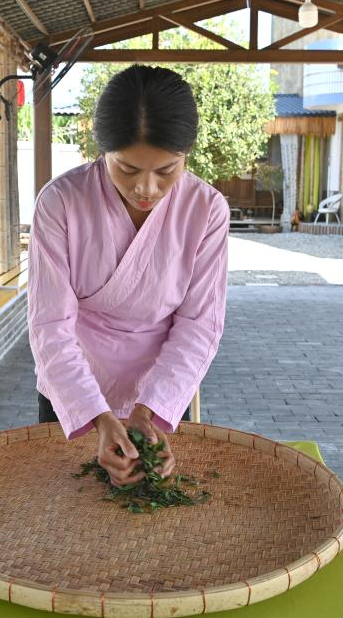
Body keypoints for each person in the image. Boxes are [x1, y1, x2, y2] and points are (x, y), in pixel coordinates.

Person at [27, 64, 229, 489]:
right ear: (103, 151)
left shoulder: (207, 209)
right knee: (64, 507)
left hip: (161, 383)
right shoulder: (60, 202)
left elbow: (199, 323)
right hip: (75, 380)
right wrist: (95, 415)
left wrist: (151, 409)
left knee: (156, 515)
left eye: (166, 170)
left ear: (186, 154)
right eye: (128, 169)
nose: (147, 189)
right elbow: (50, 324)